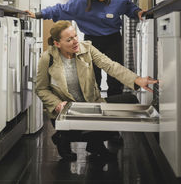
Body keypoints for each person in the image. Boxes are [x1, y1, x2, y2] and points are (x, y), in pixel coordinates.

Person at [36, 21, 158, 162]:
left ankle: (92, 144)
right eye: (69, 39)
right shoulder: (48, 58)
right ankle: (64, 138)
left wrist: (137, 80)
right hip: (66, 109)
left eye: (75, 36)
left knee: (130, 100)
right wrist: (57, 104)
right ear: (57, 44)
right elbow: (41, 88)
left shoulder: (86, 48)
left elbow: (110, 66)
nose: (75, 41)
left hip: (90, 104)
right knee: (94, 128)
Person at [26, 0, 145, 97]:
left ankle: (113, 106)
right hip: (91, 41)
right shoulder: (80, 2)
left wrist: (138, 12)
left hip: (113, 40)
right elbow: (60, 9)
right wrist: (39, 14)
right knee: (92, 77)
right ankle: (94, 105)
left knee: (115, 77)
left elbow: (130, 8)